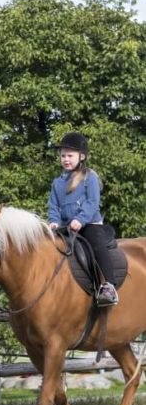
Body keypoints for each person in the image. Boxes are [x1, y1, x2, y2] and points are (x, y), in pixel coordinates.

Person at [47, 131, 118, 306]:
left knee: (96, 243)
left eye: (70, 155)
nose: (66, 159)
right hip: (65, 227)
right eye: (63, 155)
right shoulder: (57, 182)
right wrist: (53, 221)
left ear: (82, 156)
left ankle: (108, 285)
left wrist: (81, 219)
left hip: (88, 224)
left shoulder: (89, 177)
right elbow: (53, 206)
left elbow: (93, 202)